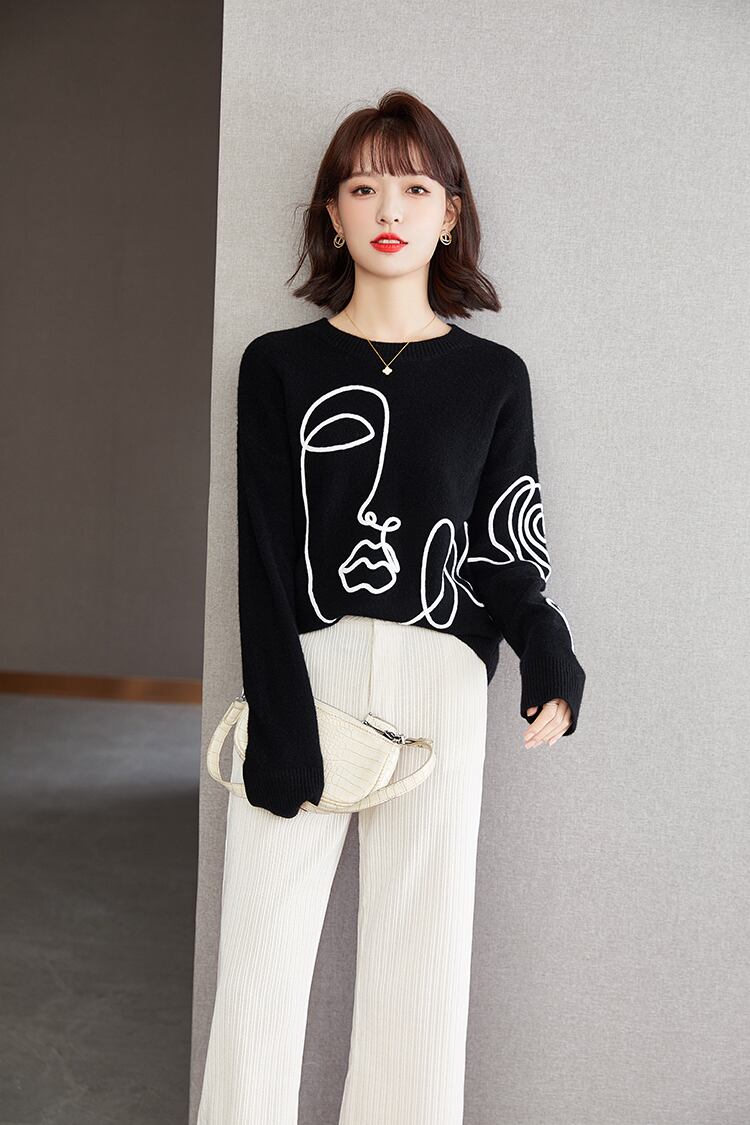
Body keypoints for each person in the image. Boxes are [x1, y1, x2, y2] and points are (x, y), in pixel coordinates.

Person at [197, 88, 586, 1125]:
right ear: (331, 212)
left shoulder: (493, 377)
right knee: (259, 964)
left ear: (450, 214)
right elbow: (264, 556)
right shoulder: (278, 365)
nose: (389, 208)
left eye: (415, 187)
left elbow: (505, 545)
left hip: (441, 679)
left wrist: (547, 649)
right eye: (363, 186)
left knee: (422, 971)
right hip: (309, 670)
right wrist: (281, 716)